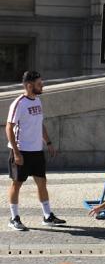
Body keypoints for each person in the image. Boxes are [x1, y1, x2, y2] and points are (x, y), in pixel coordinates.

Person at [6, 70, 66, 231]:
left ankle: (47, 216)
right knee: (17, 184)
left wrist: (48, 142)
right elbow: (9, 127)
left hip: (36, 151)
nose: (42, 86)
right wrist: (17, 152)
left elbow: (39, 124)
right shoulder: (19, 103)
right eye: (40, 83)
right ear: (29, 85)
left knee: (42, 182)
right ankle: (14, 218)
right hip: (21, 151)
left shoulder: (37, 101)